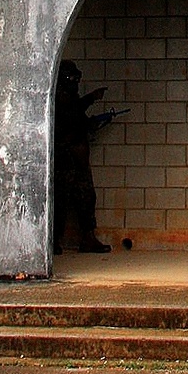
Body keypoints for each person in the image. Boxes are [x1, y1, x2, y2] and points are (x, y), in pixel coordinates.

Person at [52, 60, 114, 254]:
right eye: (71, 78)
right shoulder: (56, 100)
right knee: (59, 201)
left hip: (78, 161)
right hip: (64, 159)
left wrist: (92, 124)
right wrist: (91, 99)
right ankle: (52, 241)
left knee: (87, 198)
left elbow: (78, 120)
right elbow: (69, 114)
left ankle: (88, 238)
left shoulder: (71, 98)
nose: (74, 83)